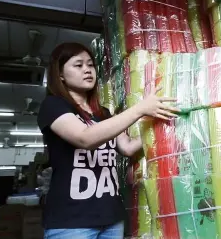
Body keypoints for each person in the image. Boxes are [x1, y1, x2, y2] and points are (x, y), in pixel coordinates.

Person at [37, 42, 179, 239]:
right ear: (60, 74)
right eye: (78, 65)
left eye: (90, 64)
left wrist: (166, 127)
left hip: (111, 217)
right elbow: (84, 138)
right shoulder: (53, 106)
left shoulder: (102, 113)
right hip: (71, 221)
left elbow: (127, 147)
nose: (87, 70)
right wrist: (140, 109)